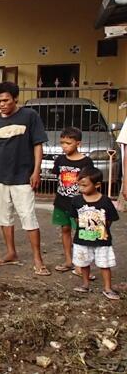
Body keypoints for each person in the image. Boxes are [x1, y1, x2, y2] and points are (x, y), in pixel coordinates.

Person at [0, 81, 50, 276]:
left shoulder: (30, 116)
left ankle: (38, 259)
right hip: (0, 178)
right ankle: (11, 253)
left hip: (23, 177)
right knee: (4, 217)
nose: (2, 104)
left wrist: (36, 171)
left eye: (6, 100)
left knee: (28, 217)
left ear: (15, 99)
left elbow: (38, 145)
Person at [71, 167, 120, 300]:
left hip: (102, 241)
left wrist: (100, 230)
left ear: (97, 185)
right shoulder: (76, 201)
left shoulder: (105, 201)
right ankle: (85, 284)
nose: (81, 188)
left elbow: (110, 220)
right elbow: (76, 218)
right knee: (84, 263)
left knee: (105, 264)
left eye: (85, 185)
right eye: (79, 184)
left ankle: (107, 288)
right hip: (82, 239)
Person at [50, 127, 93, 275]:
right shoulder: (60, 160)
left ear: (78, 143)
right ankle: (69, 261)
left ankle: (81, 264)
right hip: (61, 202)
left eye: (68, 143)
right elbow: (57, 177)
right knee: (65, 229)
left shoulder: (86, 162)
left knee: (81, 232)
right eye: (62, 143)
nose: (64, 146)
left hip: (79, 204)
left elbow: (90, 183)